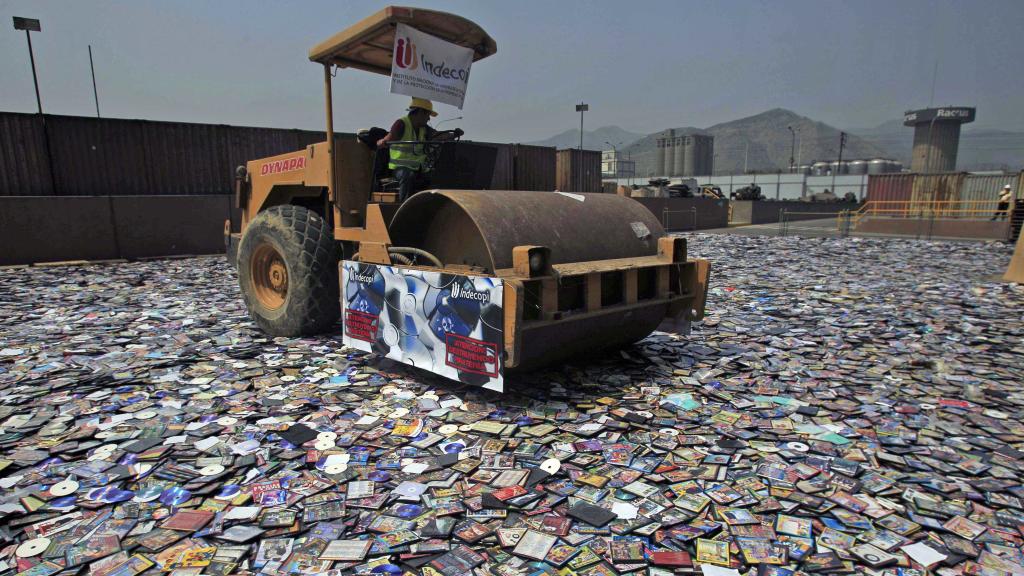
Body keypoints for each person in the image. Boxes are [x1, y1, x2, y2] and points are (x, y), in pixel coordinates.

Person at [376, 98, 463, 202]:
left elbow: (438, 136)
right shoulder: (401, 124)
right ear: (420, 112)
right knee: (408, 176)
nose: (428, 119)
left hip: (419, 168)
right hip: (400, 168)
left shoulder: (424, 128)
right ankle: (404, 207)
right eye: (428, 115)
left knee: (437, 177)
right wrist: (381, 142)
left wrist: (453, 135)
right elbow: (387, 140)